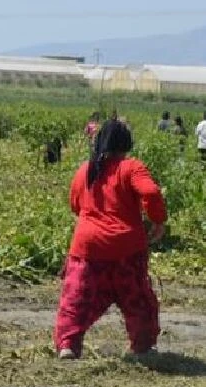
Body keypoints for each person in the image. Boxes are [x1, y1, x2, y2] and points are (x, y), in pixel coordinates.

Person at [55, 120, 167, 360]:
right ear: (126, 142)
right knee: (138, 301)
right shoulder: (131, 167)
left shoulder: (86, 169)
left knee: (76, 299)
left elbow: (75, 204)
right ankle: (142, 346)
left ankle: (68, 345)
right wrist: (158, 220)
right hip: (127, 248)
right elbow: (150, 192)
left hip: (88, 247)